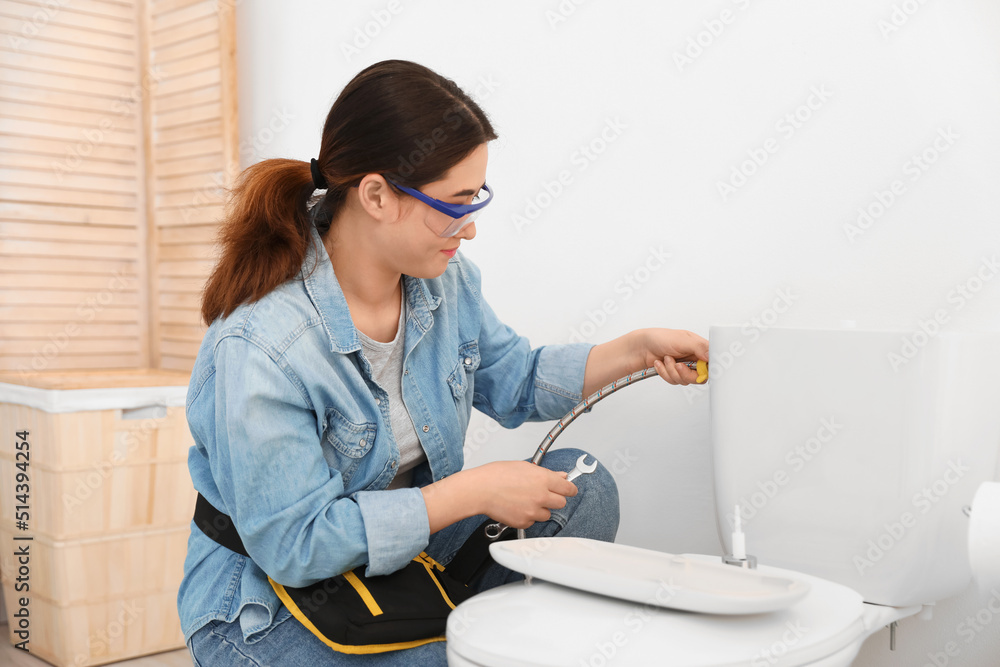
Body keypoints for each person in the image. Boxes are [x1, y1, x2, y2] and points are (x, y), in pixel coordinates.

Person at [178, 59, 709, 666]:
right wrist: (472, 492)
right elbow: (298, 546)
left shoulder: (444, 282)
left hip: (400, 562)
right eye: (456, 202)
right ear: (376, 195)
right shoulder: (262, 344)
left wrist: (635, 350)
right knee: (448, 658)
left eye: (476, 197)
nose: (471, 227)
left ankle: (468, 633)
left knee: (581, 487)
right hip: (270, 600)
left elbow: (518, 380)